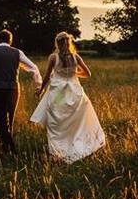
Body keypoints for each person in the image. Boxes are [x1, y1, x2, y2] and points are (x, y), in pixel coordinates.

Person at [30, 32, 106, 163]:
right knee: (74, 121)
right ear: (69, 43)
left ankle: (58, 152)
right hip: (74, 93)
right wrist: (74, 73)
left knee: (57, 121)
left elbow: (47, 76)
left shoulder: (53, 57)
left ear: (57, 43)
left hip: (59, 94)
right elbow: (88, 73)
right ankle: (74, 145)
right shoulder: (76, 57)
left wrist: (40, 90)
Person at [0, 29, 42, 154]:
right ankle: (6, 148)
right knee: (10, 119)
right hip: (14, 90)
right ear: (10, 40)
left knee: (1, 120)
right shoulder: (17, 52)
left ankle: (11, 149)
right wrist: (39, 84)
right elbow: (34, 67)